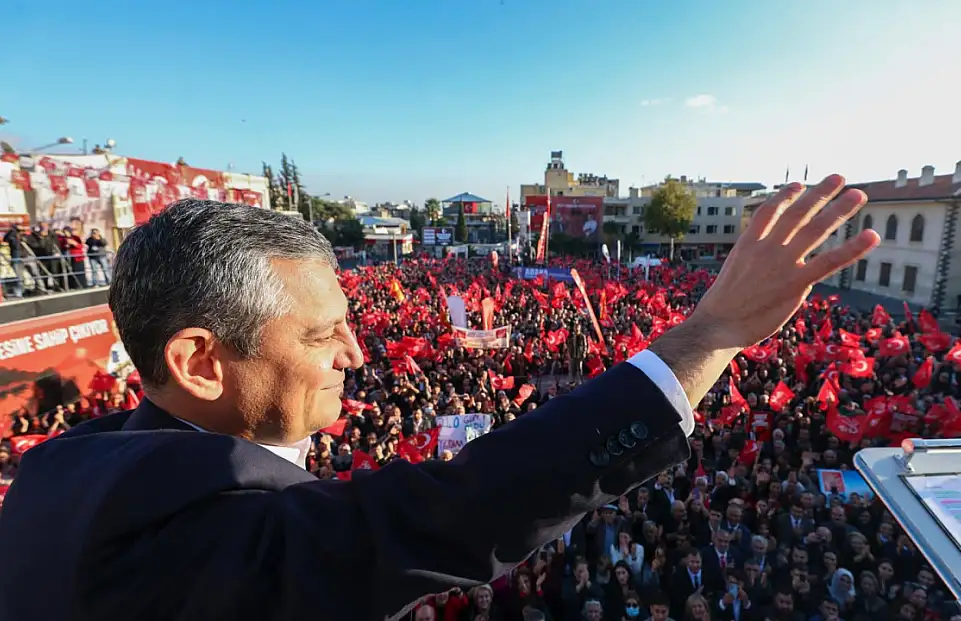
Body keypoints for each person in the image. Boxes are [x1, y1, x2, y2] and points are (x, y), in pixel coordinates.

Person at [0, 175, 878, 620]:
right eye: (319, 334)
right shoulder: (211, 526)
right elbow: (469, 504)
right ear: (198, 360)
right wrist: (710, 334)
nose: (354, 350)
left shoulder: (59, 469)